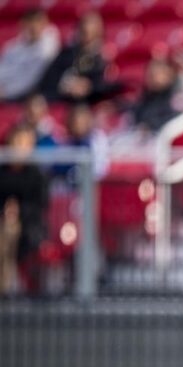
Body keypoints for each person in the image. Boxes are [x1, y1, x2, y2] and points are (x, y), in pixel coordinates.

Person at [0, 124, 50, 294]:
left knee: (9, 232)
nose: (21, 148)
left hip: (29, 228)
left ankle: (6, 287)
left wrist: (19, 211)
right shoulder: (2, 172)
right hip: (3, 224)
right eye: (18, 142)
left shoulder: (37, 175)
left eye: (26, 143)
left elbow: (41, 204)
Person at [36, 11, 118, 104]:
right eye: (83, 27)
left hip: (88, 104)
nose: (86, 30)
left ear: (99, 31)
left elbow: (108, 85)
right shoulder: (66, 53)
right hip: (60, 100)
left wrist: (88, 87)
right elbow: (49, 78)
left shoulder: (105, 56)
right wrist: (65, 84)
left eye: (91, 28)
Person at [0, 8, 60, 102]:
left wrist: (6, 92)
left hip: (26, 97)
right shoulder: (13, 47)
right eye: (30, 22)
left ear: (45, 23)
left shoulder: (47, 48)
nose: (33, 26)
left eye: (37, 22)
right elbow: (3, 70)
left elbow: (32, 81)